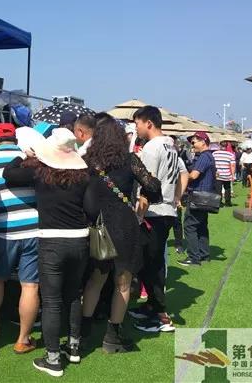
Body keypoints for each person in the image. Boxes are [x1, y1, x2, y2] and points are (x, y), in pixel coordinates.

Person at [3, 128, 90, 376]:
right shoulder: (84, 176)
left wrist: (24, 155)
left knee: (51, 300)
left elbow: (9, 174)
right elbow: (92, 207)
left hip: (51, 240)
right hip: (79, 239)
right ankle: (73, 347)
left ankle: (53, 359)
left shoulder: (40, 172)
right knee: (74, 295)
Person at [81, 118, 161, 354]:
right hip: (125, 225)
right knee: (123, 282)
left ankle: (82, 332)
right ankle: (112, 337)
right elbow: (153, 186)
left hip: (99, 225)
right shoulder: (129, 160)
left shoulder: (87, 162)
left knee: (96, 279)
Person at [129, 106, 187, 333]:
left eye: (137, 124)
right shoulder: (171, 145)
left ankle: (161, 317)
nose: (136, 129)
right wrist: (176, 198)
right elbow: (182, 174)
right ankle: (152, 306)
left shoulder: (152, 147)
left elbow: (149, 184)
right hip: (165, 210)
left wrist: (139, 215)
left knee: (151, 265)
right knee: (151, 263)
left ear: (149, 123)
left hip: (154, 212)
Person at [0, 123, 40, 355]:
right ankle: (23, 339)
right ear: (15, 139)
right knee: (30, 285)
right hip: (34, 227)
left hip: (3, 229)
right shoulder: (30, 158)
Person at [179, 132, 216, 267]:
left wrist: (181, 176)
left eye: (194, 142)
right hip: (205, 196)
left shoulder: (204, 156)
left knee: (190, 226)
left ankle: (194, 257)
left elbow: (193, 175)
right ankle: (203, 254)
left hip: (198, 196)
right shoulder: (208, 156)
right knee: (201, 226)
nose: (192, 145)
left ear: (203, 142)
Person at [212, 142, 236, 207]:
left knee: (218, 190)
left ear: (220, 146)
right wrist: (233, 175)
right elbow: (233, 165)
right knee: (227, 189)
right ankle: (228, 202)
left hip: (218, 174)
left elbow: (212, 164)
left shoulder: (214, 154)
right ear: (226, 146)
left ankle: (219, 203)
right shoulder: (230, 155)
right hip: (227, 174)